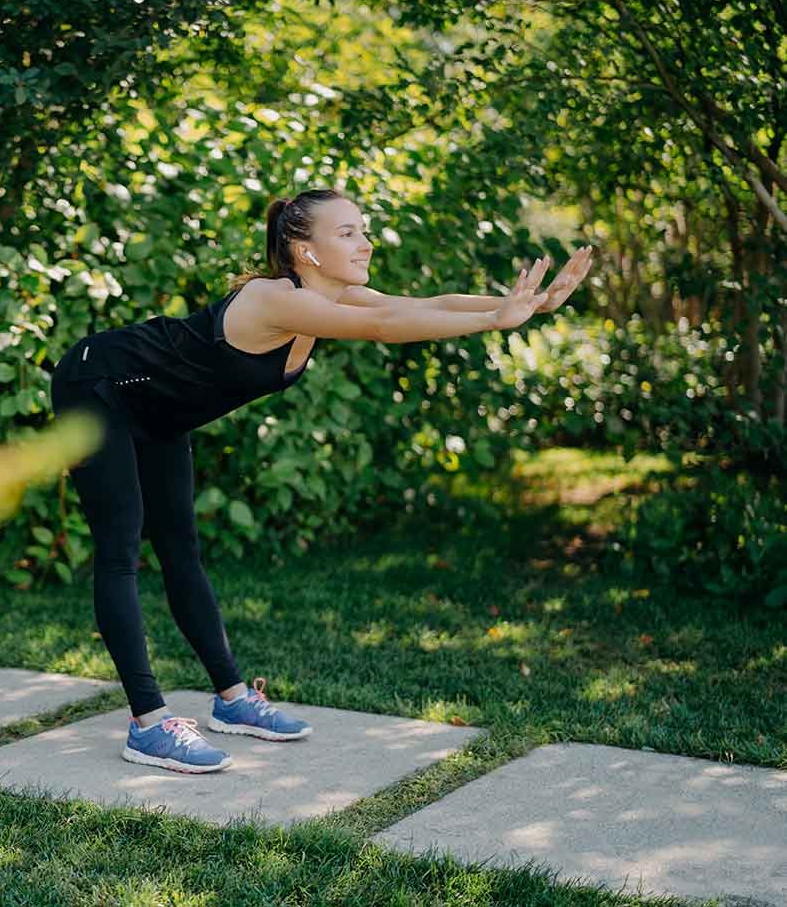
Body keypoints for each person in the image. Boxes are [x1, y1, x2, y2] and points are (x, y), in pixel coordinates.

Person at [49, 188, 594, 774]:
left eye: (363, 230)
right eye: (348, 233)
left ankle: (233, 701)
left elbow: (424, 302)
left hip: (158, 410)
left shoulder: (331, 295)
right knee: (121, 551)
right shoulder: (272, 299)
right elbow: (384, 325)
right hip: (101, 384)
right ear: (305, 251)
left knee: (182, 550)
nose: (366, 242)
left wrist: (526, 305)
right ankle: (148, 724)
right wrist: (494, 319)